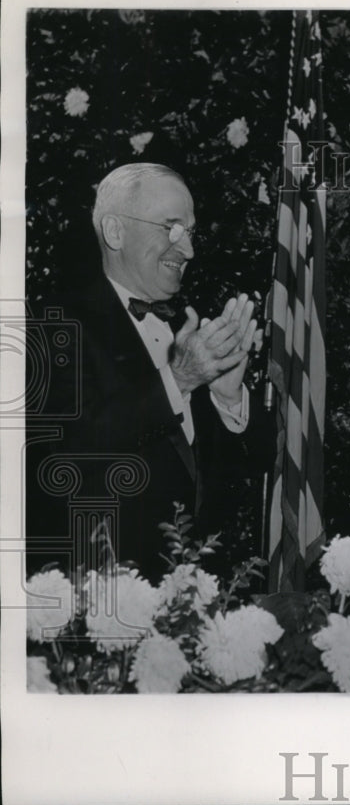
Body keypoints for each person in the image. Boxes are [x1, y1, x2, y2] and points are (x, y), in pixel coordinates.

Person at [26, 163, 272, 583]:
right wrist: (178, 380)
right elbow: (59, 464)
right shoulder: (51, 325)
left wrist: (228, 399)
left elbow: (233, 483)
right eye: (171, 228)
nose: (188, 250)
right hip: (102, 600)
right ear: (115, 232)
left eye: (190, 232)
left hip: (199, 601)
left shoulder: (188, 326)